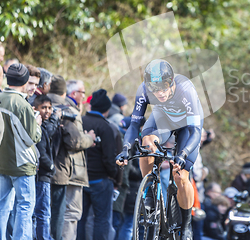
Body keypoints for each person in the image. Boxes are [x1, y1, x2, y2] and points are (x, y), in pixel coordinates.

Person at [116, 59, 204, 240]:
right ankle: (149, 191)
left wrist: (183, 154)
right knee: (147, 142)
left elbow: (195, 131)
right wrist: (125, 149)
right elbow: (134, 125)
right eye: (155, 90)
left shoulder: (186, 89)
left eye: (164, 88)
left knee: (181, 175)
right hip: (163, 118)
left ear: (171, 82)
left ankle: (186, 224)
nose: (160, 93)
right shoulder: (143, 90)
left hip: (188, 126)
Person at [0, 63, 42, 240]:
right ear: (23, 81)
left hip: (2, 161)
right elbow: (32, 138)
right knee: (25, 205)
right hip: (22, 163)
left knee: (1, 204)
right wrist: (37, 124)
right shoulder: (21, 104)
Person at [47, 75, 95, 240]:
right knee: (71, 213)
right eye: (81, 92)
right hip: (70, 171)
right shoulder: (69, 110)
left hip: (46, 168)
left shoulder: (42, 105)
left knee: (47, 212)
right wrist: (90, 138)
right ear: (70, 93)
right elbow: (74, 141)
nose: (83, 95)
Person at [78, 89, 119, 240]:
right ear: (106, 109)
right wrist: (113, 174)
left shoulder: (80, 121)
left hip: (81, 178)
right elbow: (109, 158)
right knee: (102, 219)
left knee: (80, 218)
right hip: (100, 180)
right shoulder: (106, 127)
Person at [33, 95, 59, 240]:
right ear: (35, 108)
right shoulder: (38, 127)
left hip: (44, 175)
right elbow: (41, 153)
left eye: (49, 108)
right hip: (42, 175)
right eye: (43, 108)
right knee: (43, 212)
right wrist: (50, 167)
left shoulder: (45, 126)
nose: (47, 111)